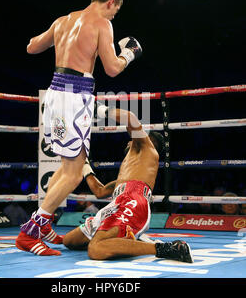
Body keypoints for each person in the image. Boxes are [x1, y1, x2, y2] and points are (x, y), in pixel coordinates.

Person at [15, 0, 143, 256]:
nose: (112, 18)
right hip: (74, 98)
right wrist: (128, 55)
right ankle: (30, 232)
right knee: (74, 174)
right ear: (110, 2)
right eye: (115, 12)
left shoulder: (64, 20)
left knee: (68, 164)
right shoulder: (102, 24)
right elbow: (111, 69)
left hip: (54, 94)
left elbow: (31, 47)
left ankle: (45, 224)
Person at [63, 107, 193, 263]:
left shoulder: (147, 149)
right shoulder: (129, 170)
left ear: (148, 140)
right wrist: (83, 163)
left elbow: (129, 118)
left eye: (133, 138)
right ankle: (123, 242)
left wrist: (97, 108)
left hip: (133, 202)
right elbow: (99, 191)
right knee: (69, 241)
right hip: (117, 203)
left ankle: (166, 248)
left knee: (95, 249)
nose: (129, 140)